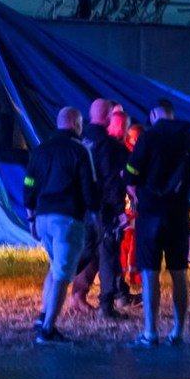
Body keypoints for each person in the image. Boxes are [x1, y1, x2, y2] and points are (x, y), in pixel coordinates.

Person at [124, 98, 190, 346]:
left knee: (150, 273)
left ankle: (151, 332)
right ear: (172, 114)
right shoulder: (189, 139)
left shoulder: (148, 138)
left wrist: (134, 187)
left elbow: (131, 172)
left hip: (150, 213)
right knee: (179, 272)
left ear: (153, 115)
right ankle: (178, 332)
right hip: (179, 213)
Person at [24, 106, 96, 344]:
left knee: (55, 267)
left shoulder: (40, 150)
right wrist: (96, 214)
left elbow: (29, 183)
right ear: (76, 124)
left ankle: (43, 315)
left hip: (42, 217)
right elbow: (89, 188)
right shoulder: (80, 151)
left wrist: (31, 216)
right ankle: (48, 329)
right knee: (64, 275)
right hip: (67, 218)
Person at [68, 98, 132, 319]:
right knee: (108, 254)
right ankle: (107, 307)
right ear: (108, 117)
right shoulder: (108, 145)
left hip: (80, 207)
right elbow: (112, 181)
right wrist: (119, 211)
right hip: (103, 209)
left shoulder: (80, 139)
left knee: (88, 252)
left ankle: (68, 290)